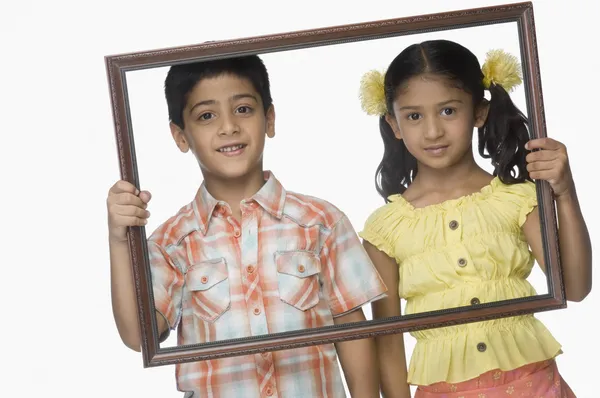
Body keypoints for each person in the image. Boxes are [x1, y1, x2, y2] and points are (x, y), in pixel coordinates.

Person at [106, 55, 388, 398]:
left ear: (269, 118)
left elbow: (352, 329)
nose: (229, 127)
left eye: (243, 109)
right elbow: (138, 336)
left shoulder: (321, 223)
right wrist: (120, 240)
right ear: (180, 136)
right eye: (207, 116)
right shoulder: (172, 243)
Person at [357, 39, 592, 397]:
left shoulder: (514, 200)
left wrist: (565, 193)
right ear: (394, 124)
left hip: (534, 387)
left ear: (479, 112)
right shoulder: (386, 229)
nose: (433, 131)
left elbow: (575, 288)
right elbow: (388, 342)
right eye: (414, 116)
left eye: (448, 111)